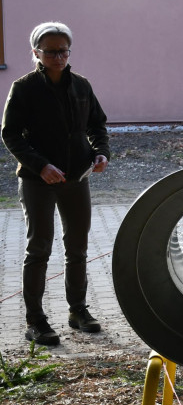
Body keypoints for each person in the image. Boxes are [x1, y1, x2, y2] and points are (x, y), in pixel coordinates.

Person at [1, 22, 110, 346]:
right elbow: (10, 134)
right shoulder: (24, 88)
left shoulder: (81, 86)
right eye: (51, 51)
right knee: (39, 250)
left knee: (77, 249)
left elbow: (97, 125)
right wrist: (40, 165)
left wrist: (101, 154)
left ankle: (78, 311)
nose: (59, 56)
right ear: (36, 52)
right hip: (37, 181)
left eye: (64, 50)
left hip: (77, 178)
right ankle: (35, 320)